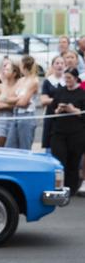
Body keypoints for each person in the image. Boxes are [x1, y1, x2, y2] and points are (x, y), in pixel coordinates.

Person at [48, 67, 85, 195]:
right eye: (66, 78)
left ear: (75, 79)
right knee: (59, 160)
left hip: (76, 134)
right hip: (59, 133)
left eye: (69, 78)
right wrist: (58, 110)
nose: (67, 80)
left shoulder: (82, 94)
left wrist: (74, 111)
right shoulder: (60, 92)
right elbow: (52, 110)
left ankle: (71, 188)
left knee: (73, 162)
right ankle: (58, 186)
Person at [7, 55, 39, 150]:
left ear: (24, 65)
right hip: (16, 115)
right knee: (10, 147)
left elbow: (23, 103)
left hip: (27, 117)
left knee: (24, 148)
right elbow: (7, 98)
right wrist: (17, 99)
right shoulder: (20, 80)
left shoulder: (34, 81)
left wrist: (14, 100)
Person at [0, 59, 21, 147]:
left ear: (14, 73)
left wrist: (4, 101)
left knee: (13, 147)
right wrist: (11, 104)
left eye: (7, 69)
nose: (4, 71)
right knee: (1, 145)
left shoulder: (19, 85)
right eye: (4, 69)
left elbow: (20, 102)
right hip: (1, 119)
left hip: (15, 118)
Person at [40, 55, 66, 150]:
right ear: (52, 66)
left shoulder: (68, 80)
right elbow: (43, 100)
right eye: (57, 63)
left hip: (65, 118)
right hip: (51, 117)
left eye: (62, 63)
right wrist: (59, 100)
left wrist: (52, 99)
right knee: (49, 145)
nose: (60, 65)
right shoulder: (48, 81)